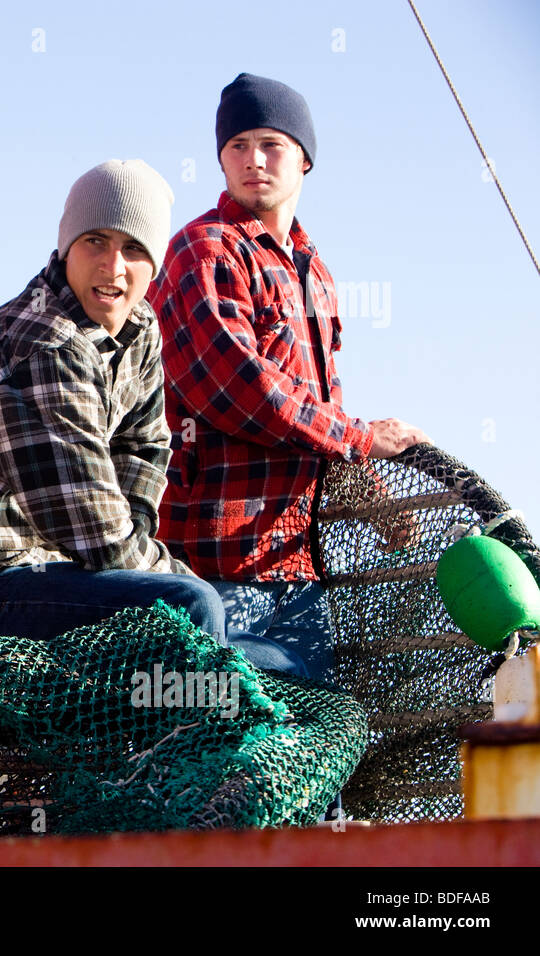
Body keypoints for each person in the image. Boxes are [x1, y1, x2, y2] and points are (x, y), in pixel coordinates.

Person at [0, 160, 227, 647]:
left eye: (134, 249)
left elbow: (143, 447)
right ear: (66, 249)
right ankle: (175, 725)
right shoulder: (43, 344)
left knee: (254, 648)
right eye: (95, 241)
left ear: (155, 265)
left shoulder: (139, 329)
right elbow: (92, 531)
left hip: (45, 573)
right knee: (192, 606)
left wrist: (140, 545)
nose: (113, 266)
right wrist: (168, 574)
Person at [151, 74, 429, 682]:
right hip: (215, 565)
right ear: (221, 159)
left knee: (302, 744)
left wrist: (372, 498)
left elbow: (317, 407)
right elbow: (236, 389)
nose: (253, 160)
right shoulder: (203, 250)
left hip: (299, 568)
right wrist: (360, 438)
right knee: (217, 741)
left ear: (304, 158)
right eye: (237, 146)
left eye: (271, 144)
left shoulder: (316, 271)